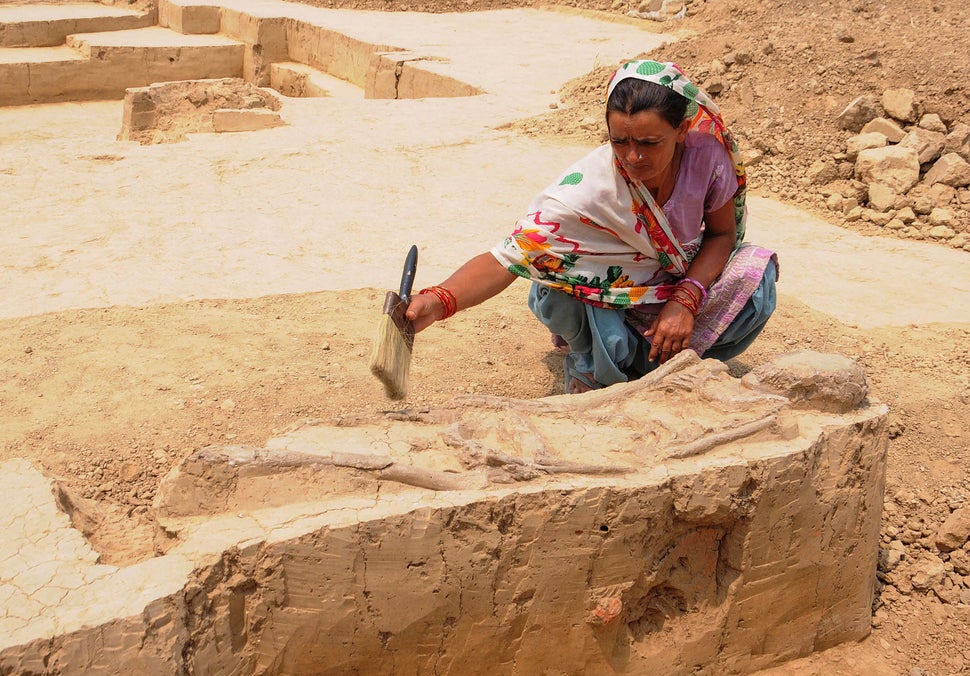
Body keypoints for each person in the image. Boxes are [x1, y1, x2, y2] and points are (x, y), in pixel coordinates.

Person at [406, 59, 778, 393]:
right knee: (555, 288)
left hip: (672, 285)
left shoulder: (707, 158)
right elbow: (508, 257)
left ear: (682, 129)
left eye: (649, 143)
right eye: (620, 141)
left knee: (755, 278)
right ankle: (593, 365)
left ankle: (640, 362)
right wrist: (439, 301)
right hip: (609, 299)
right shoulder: (589, 188)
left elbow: (721, 234)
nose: (633, 157)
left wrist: (686, 299)